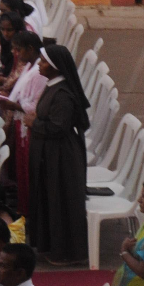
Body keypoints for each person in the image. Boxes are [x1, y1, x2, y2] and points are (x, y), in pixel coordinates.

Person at [27, 44, 88, 265]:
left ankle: (65, 252)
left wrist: (35, 122)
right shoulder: (52, 86)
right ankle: (49, 245)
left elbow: (58, 127)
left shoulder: (62, 94)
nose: (39, 65)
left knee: (59, 202)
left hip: (61, 157)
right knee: (49, 200)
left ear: (54, 66)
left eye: (43, 62)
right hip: (50, 154)